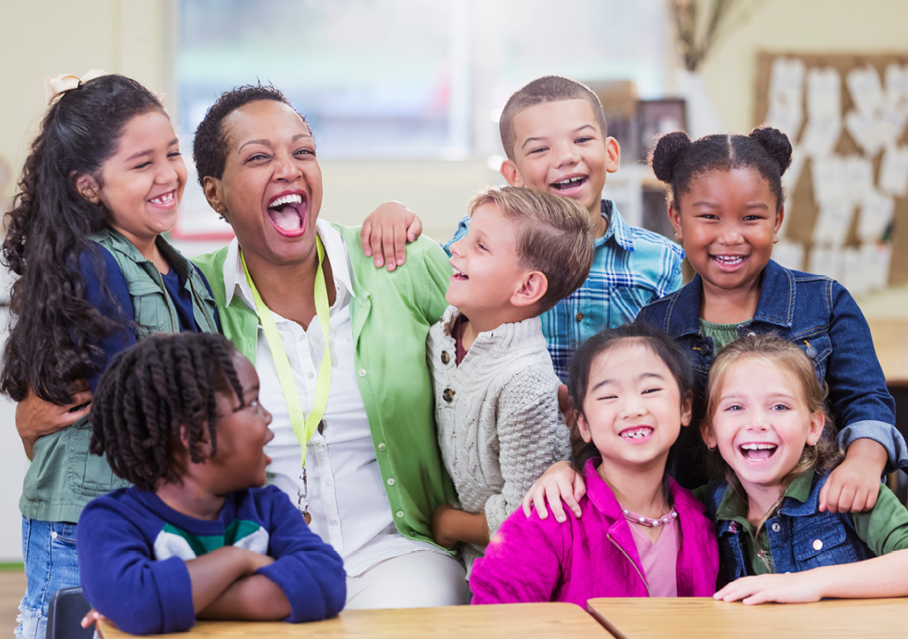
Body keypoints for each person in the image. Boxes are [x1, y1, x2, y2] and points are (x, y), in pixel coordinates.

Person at [522, 127, 908, 519]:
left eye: (751, 217)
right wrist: (566, 468)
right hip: (698, 533)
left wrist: (864, 459)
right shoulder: (655, 324)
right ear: (677, 219)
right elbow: (623, 423)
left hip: (816, 523)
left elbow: (867, 401)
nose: (729, 236)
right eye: (708, 217)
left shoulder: (825, 303)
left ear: (777, 221)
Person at [188, 84, 469, 608]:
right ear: (214, 193)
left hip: (395, 554)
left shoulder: (399, 265)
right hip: (264, 565)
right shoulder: (192, 296)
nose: (289, 168)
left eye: (303, 151)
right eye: (258, 157)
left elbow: (495, 337)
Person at [0, 72, 220, 639]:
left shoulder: (189, 274)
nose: (169, 173)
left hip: (151, 517)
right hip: (85, 525)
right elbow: (136, 398)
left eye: (172, 153)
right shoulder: (93, 263)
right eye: (142, 163)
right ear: (89, 186)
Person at [358, 75, 685, 382]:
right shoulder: (477, 242)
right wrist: (395, 214)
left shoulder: (659, 259)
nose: (566, 157)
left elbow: (669, 369)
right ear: (513, 175)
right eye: (540, 149)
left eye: (582, 139)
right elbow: (431, 286)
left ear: (611, 153)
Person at [76, 334, 345, 634]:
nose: (267, 417)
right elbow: (136, 604)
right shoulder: (109, 521)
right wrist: (238, 560)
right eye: (253, 403)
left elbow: (326, 583)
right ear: (199, 438)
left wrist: (172, 602)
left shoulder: (269, 507)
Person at [468, 324, 718, 608]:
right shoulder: (554, 515)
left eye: (650, 389)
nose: (633, 408)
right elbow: (494, 614)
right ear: (583, 424)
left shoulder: (701, 523)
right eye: (609, 396)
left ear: (685, 408)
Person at [701, 334, 908, 603]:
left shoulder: (844, 489)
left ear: (813, 427)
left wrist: (811, 583)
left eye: (780, 406)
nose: (757, 422)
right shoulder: (705, 506)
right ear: (709, 432)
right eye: (735, 406)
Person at [427, 185, 591, 570]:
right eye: (466, 234)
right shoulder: (445, 331)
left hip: (514, 567)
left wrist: (451, 526)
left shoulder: (525, 382)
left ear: (527, 287)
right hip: (464, 551)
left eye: (480, 246)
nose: (456, 248)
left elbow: (525, 515)